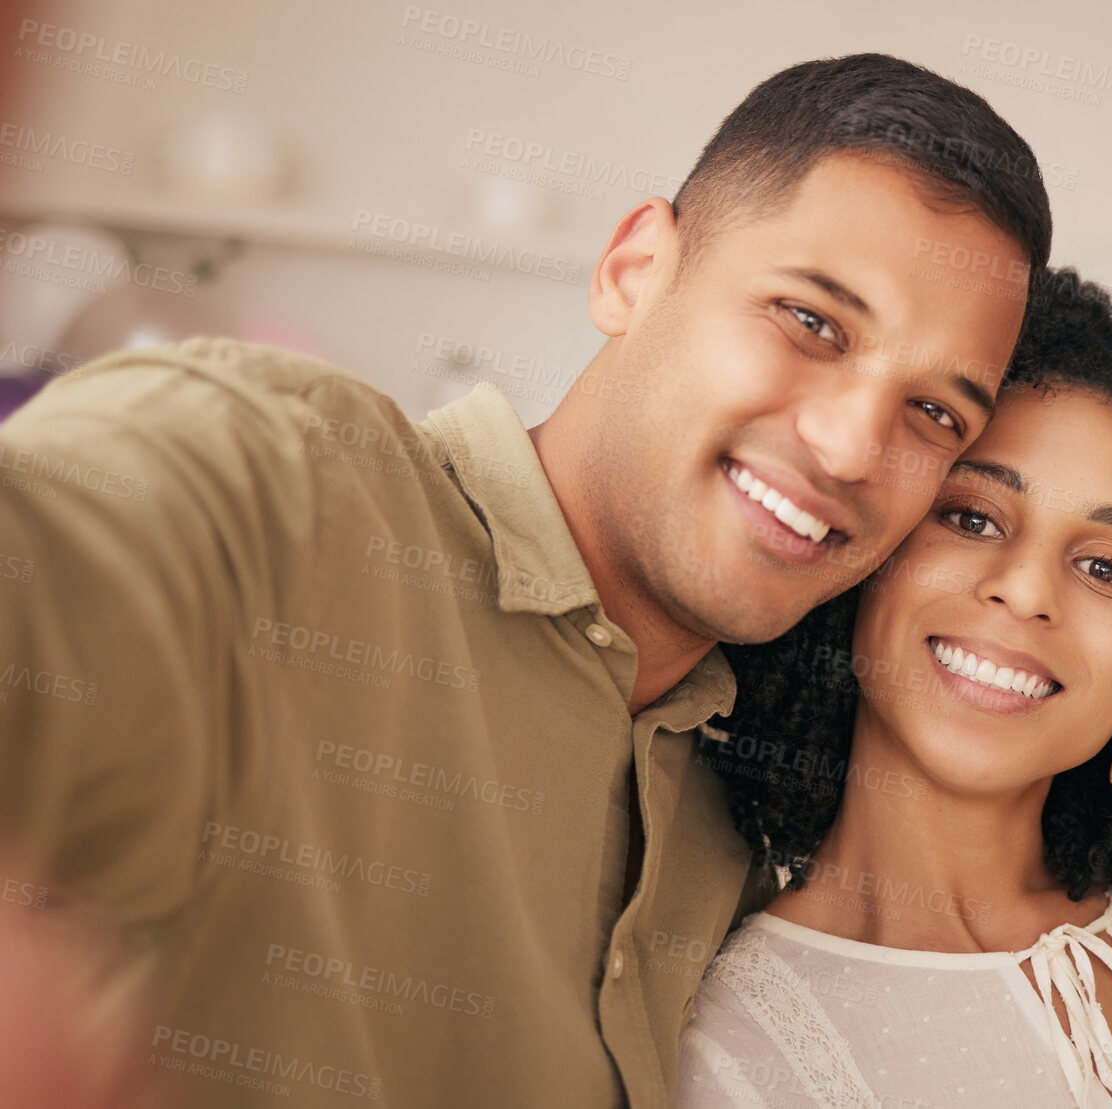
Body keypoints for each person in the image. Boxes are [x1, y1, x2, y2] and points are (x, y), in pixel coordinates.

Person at [0, 54, 1050, 1108]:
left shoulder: (744, 800)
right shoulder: (270, 477)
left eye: (934, 415)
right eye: (810, 321)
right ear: (633, 269)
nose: (850, 446)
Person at [675, 271, 1112, 1107]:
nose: (1028, 591)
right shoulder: (731, 1051)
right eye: (972, 518)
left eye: (1106, 567)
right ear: (867, 553)